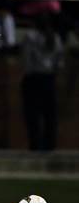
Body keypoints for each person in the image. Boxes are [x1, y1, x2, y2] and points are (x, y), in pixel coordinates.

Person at [21, 14, 63, 151]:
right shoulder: (55, 38)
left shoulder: (30, 37)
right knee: (50, 115)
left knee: (33, 114)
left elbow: (26, 60)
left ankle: (35, 145)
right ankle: (50, 145)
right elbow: (60, 63)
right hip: (49, 79)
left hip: (34, 78)